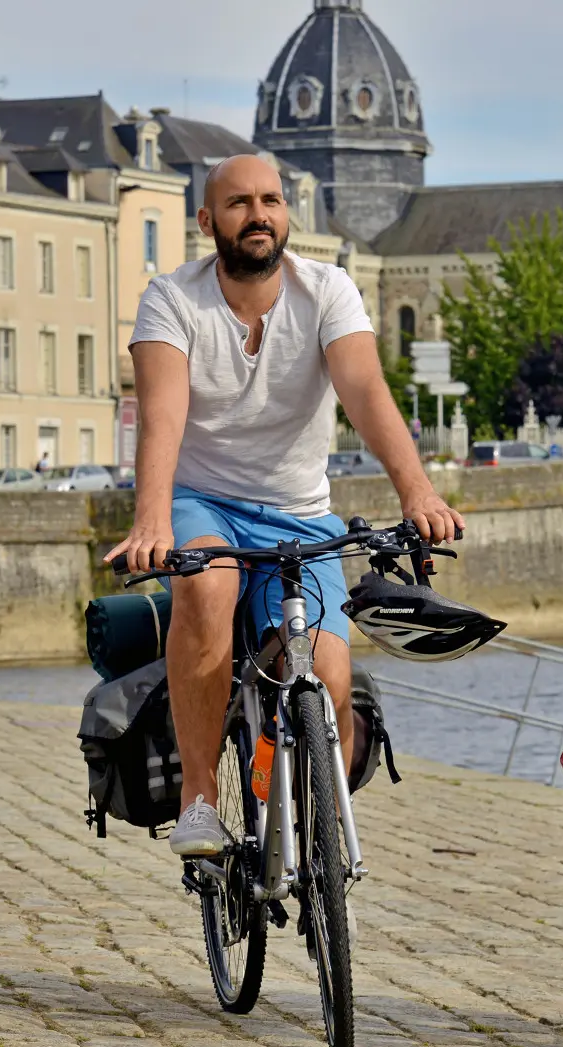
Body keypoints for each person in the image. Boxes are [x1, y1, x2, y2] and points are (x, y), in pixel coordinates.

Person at [108, 154, 461, 857]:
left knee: (327, 677)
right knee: (207, 590)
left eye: (271, 200)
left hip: (300, 511)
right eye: (239, 203)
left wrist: (417, 491)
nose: (260, 214)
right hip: (204, 501)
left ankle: (312, 818)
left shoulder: (326, 289)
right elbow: (163, 417)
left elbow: (364, 390)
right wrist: (151, 518)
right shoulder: (172, 300)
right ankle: (201, 796)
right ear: (208, 222)